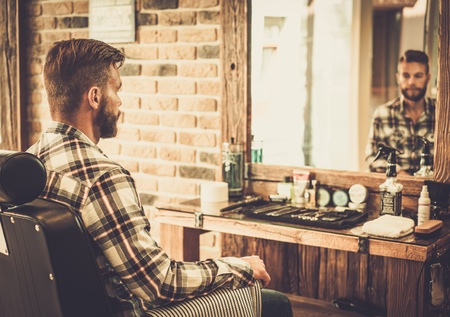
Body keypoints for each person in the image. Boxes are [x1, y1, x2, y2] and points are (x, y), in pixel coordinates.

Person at [27, 38, 292, 317]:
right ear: (94, 97)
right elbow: (159, 283)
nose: (119, 100)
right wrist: (240, 267)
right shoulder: (100, 178)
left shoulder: (28, 165)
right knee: (273, 302)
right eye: (116, 89)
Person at [365, 49, 435, 175]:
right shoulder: (383, 114)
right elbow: (372, 158)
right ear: (398, 78)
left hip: (437, 191)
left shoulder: (442, 114)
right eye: (406, 75)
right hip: (396, 188)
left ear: (428, 78)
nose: (411, 82)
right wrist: (399, 172)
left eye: (418, 76)